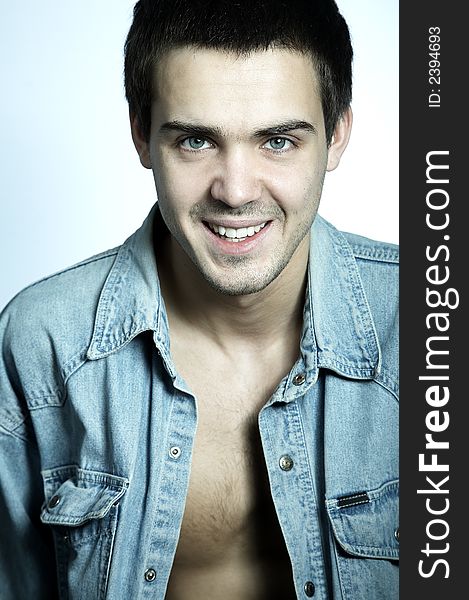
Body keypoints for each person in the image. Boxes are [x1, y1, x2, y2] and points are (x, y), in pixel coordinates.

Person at [0, 1, 399, 598]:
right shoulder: (42, 344)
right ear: (140, 133)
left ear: (338, 134)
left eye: (279, 141)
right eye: (195, 141)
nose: (235, 191)